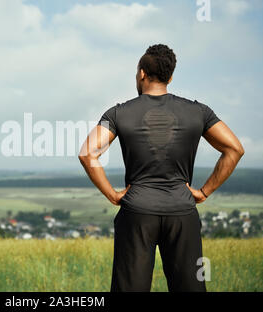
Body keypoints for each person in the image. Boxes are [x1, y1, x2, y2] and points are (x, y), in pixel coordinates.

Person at [78, 44, 245, 292]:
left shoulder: (118, 113)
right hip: (182, 213)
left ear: (142, 73)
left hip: (136, 213)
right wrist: (204, 191)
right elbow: (234, 149)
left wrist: (113, 194)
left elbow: (87, 152)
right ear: (170, 76)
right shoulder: (199, 111)